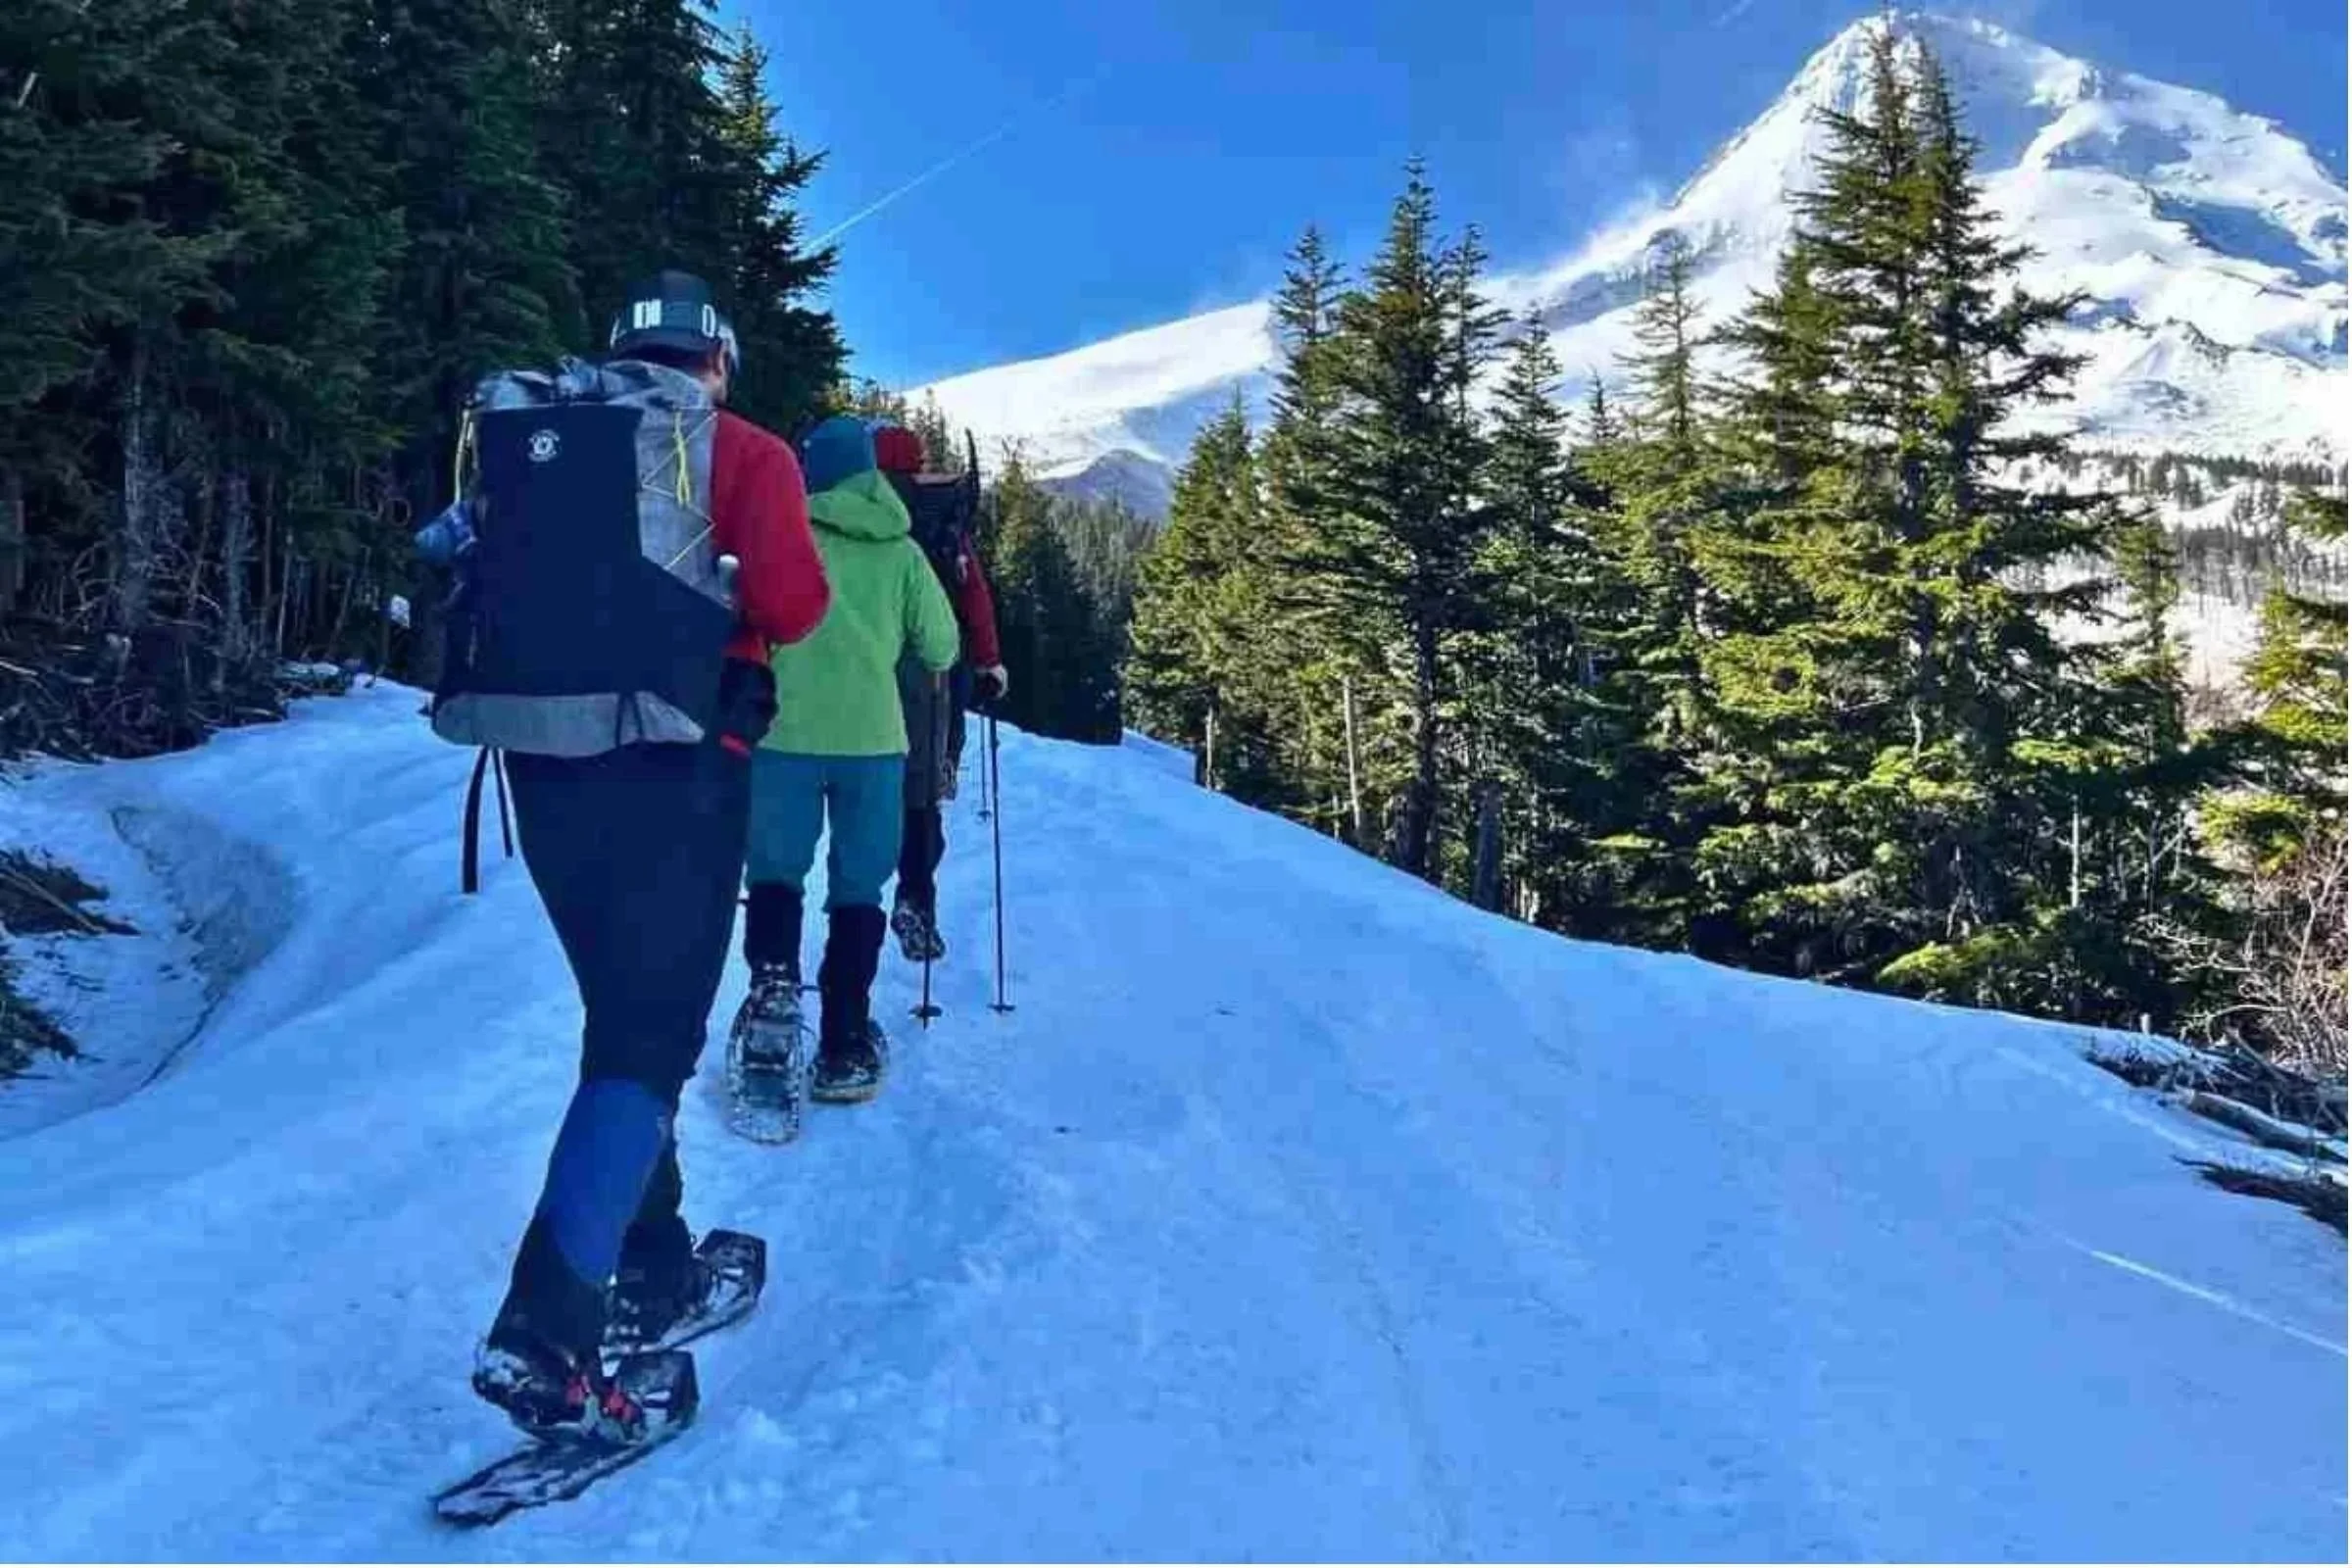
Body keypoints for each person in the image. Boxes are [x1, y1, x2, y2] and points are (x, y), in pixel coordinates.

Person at [464, 270, 829, 1437]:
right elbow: (795, 600)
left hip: (540, 760)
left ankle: (656, 1258)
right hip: (677, 765)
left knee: (622, 1014)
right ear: (715, 360)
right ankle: (547, 1333)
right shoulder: (746, 450)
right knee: (653, 1033)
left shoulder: (544, 435)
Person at [735, 416, 958, 1103]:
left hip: (783, 737)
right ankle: (845, 1041)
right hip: (874, 744)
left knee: (776, 875)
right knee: (859, 890)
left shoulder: (785, 534)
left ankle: (774, 999)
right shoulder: (903, 552)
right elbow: (943, 647)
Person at [870, 423, 1006, 963]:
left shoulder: (843, 507)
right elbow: (975, 598)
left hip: (868, 669)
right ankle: (916, 897)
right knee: (924, 794)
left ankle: (851, 895)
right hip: (937, 677)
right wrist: (990, 661)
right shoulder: (946, 517)